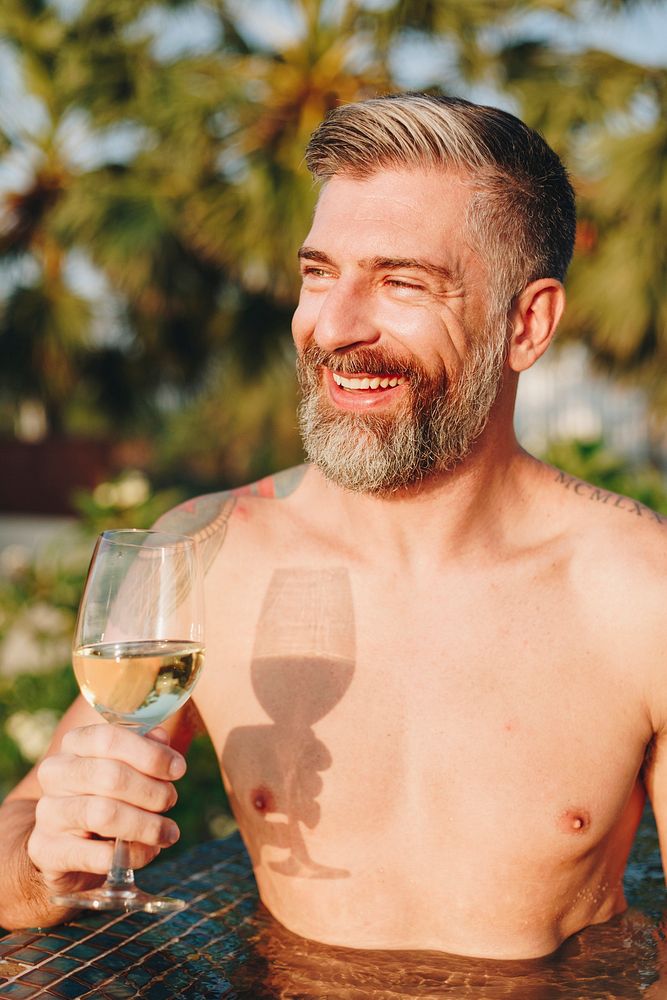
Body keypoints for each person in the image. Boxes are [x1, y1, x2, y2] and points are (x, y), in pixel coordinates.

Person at [0, 92, 665, 961]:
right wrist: (48, 862)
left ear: (526, 323)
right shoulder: (204, 549)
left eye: (400, 281)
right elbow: (18, 835)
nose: (334, 327)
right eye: (319, 273)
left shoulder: (637, 589)